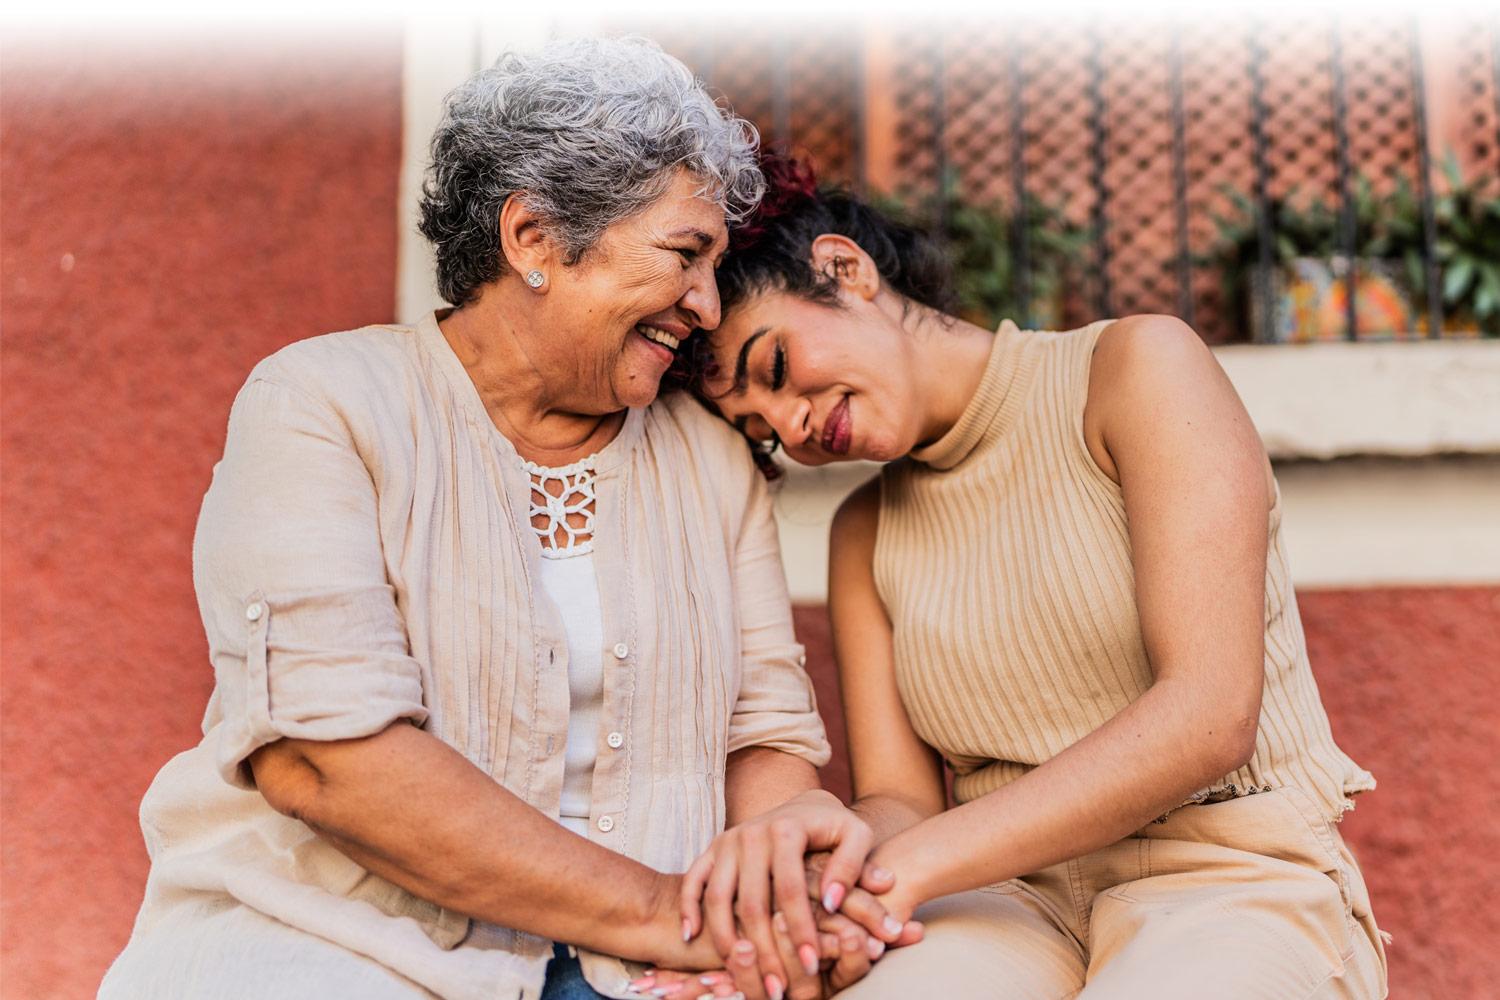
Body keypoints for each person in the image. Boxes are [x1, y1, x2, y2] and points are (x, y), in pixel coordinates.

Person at [99, 42, 906, 1000]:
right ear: (533, 238)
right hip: (335, 946)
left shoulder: (704, 454)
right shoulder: (323, 403)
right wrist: (666, 916)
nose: (706, 302)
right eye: (685, 255)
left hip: (658, 969)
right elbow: (326, 761)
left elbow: (763, 738)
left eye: (717, 266)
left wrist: (781, 909)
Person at [671, 159, 1389, 998]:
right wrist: (818, 902)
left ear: (844, 269)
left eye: (777, 366)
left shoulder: (1134, 370)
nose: (792, 426)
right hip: (1001, 904)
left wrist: (901, 870)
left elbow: (1208, 717)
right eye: (758, 427)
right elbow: (902, 801)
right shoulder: (862, 534)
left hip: (1231, 874)